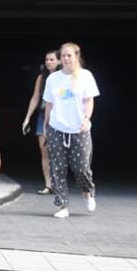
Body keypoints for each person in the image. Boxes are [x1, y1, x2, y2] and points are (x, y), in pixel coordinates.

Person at [41, 42, 100, 219]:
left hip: (79, 129)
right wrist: (46, 127)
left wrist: (86, 118)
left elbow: (89, 100)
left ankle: (87, 192)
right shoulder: (53, 79)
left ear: (76, 57)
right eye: (63, 56)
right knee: (57, 168)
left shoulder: (85, 76)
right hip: (57, 128)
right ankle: (62, 205)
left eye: (69, 55)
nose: (66, 59)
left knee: (81, 167)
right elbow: (49, 105)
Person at [21, 49, 60, 195]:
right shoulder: (42, 77)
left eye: (52, 59)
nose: (48, 62)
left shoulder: (64, 77)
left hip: (60, 116)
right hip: (43, 115)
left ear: (59, 61)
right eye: (47, 60)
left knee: (58, 152)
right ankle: (48, 184)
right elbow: (35, 97)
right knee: (44, 152)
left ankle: (58, 183)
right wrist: (27, 118)